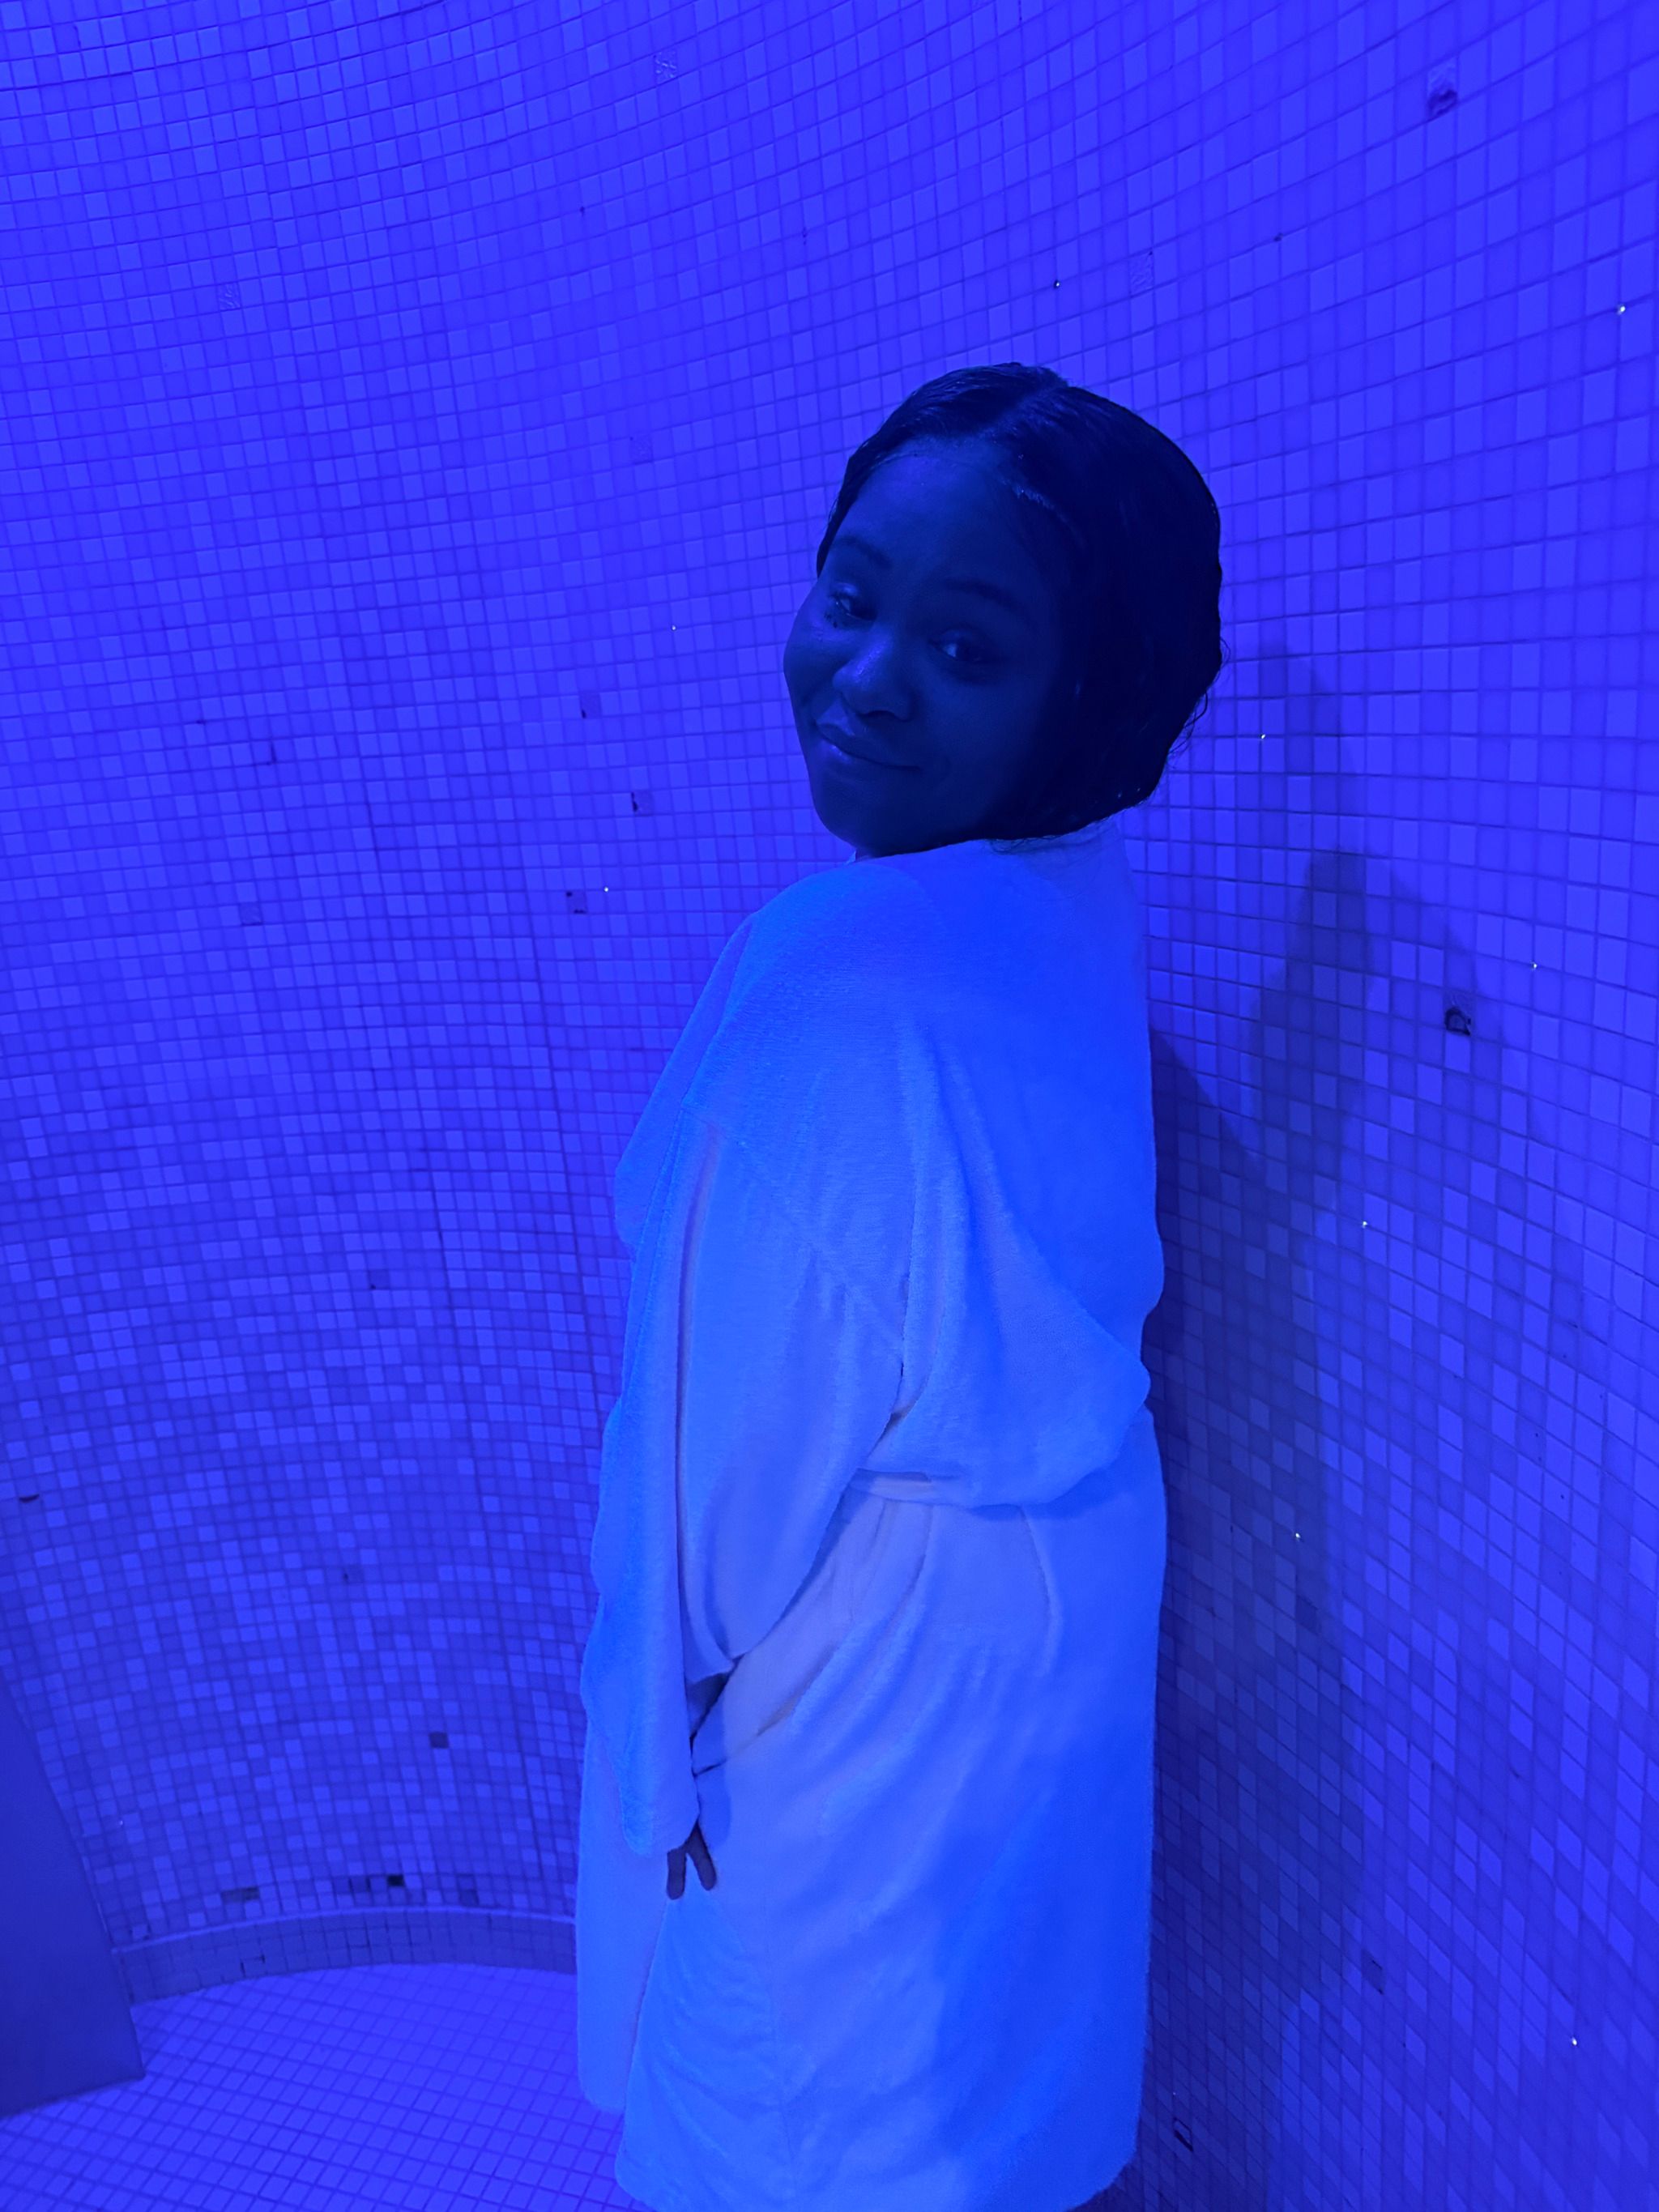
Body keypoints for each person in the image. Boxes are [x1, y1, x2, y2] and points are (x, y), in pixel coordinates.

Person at [576, 361, 1225, 2212]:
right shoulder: (1059, 889)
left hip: (881, 1683)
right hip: (1049, 1621)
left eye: (964, 648)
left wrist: (674, 1733)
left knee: (804, 2131)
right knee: (997, 2111)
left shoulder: (835, 983)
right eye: (850, 595)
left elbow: (726, 1488)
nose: (865, 677)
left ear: (1085, 700)